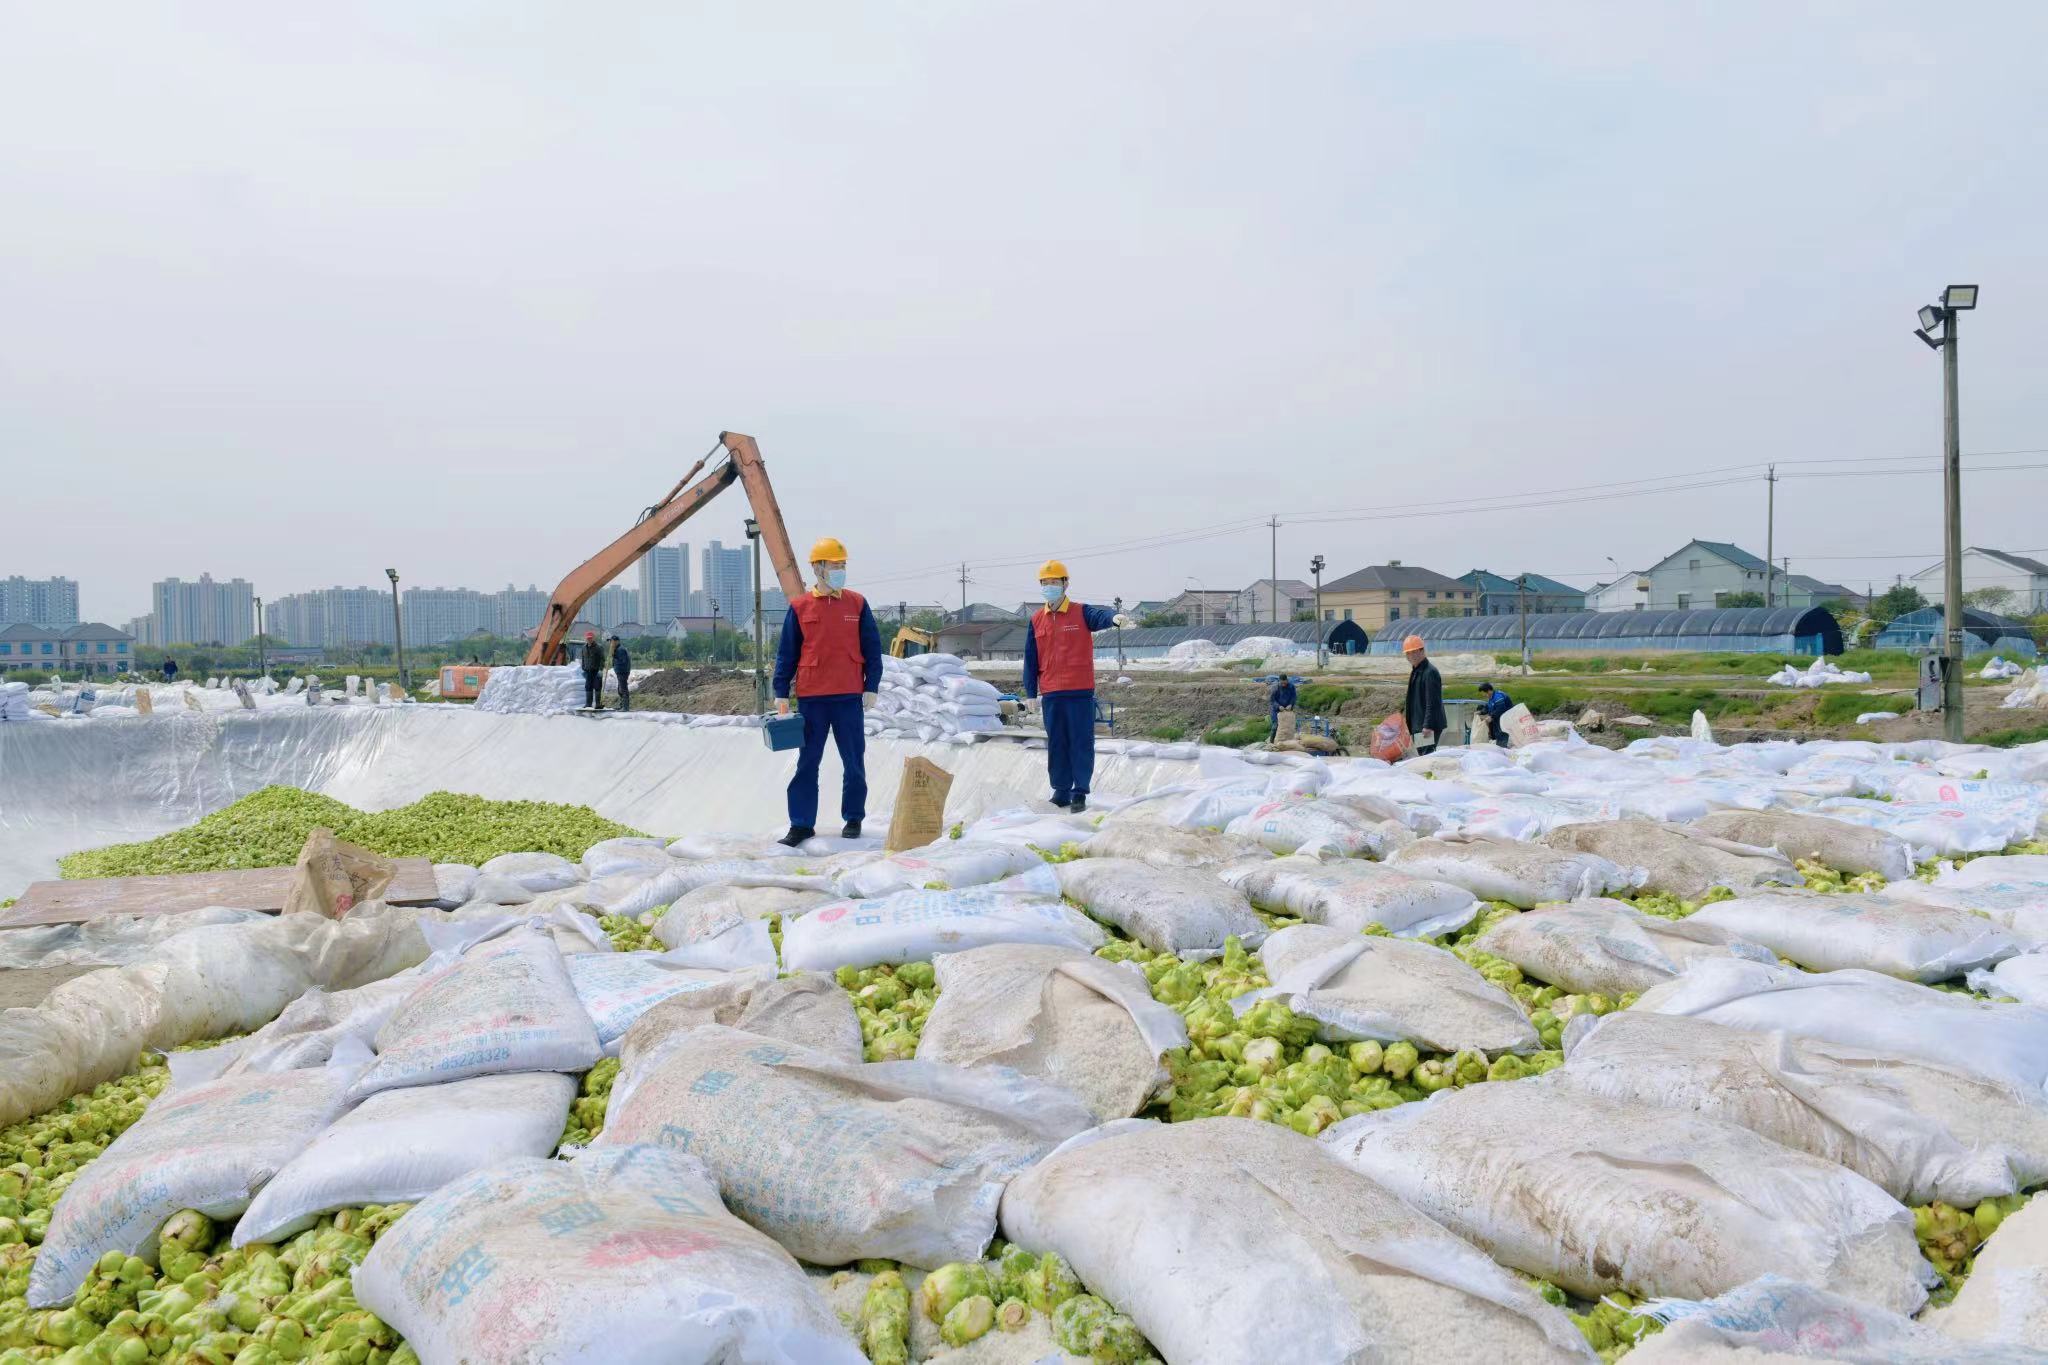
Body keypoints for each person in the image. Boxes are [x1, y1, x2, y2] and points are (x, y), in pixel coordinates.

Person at [774, 536, 883, 845]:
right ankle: (801, 824)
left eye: (843, 565)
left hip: (848, 696)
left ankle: (853, 818)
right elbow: (787, 654)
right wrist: (781, 691)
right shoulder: (800, 607)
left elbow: (872, 649)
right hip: (812, 698)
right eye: (835, 565)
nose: (840, 570)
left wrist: (871, 685)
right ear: (818, 568)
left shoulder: (857, 604)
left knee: (854, 761)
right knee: (807, 762)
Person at [1023, 560, 1131, 813]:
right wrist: (1030, 691)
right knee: (1057, 743)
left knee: (1081, 742)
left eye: (1054, 582)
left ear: (1065, 584)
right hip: (1051, 692)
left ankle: (1079, 792)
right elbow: (1031, 657)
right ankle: (1060, 791)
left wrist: (1113, 618)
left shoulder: (1080, 612)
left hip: (1079, 691)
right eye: (1045, 583)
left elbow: (1099, 616)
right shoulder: (1037, 619)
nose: (1050, 586)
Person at [1402, 634, 1446, 755]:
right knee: (1422, 755)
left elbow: (1432, 702)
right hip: (1418, 724)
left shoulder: (1429, 672)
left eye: (1413, 652)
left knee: (1426, 756)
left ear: (1422, 651)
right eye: (1408, 653)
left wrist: (1427, 725)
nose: (1410, 656)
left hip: (1427, 726)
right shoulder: (1416, 671)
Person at [1477, 680, 1514, 747]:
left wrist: (1491, 716)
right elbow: (1488, 707)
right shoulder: (1491, 697)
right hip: (1498, 719)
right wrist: (1481, 712)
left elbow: (1500, 709)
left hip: (1504, 719)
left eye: (1483, 693)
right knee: (1497, 734)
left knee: (1502, 734)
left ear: (1488, 691)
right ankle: (1500, 748)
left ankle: (1502, 749)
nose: (1483, 695)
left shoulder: (1498, 696)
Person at [1268, 674, 1299, 742]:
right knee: (1275, 726)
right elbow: (1272, 700)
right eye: (1282, 683)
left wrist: (1291, 704)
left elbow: (1294, 697)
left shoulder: (1291, 687)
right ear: (1279, 681)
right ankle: (1271, 742)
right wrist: (1278, 706)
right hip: (1276, 710)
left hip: (1288, 710)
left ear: (1287, 680)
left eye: (1285, 683)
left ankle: (1286, 742)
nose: (1283, 685)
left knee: (1288, 727)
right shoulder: (1275, 687)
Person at [578, 629, 604, 709]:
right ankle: (588, 704)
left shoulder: (598, 647)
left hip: (596, 671)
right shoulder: (584, 648)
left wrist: (600, 669)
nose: (589, 639)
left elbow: (602, 659)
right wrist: (583, 667)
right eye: (588, 638)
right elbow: (583, 658)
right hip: (588, 671)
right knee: (588, 687)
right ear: (586, 639)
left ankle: (598, 704)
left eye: (590, 638)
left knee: (597, 687)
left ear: (593, 638)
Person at [609, 635, 631, 712]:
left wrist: (614, 656)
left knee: (623, 689)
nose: (611, 643)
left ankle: (625, 707)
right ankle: (622, 705)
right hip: (620, 672)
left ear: (617, 641)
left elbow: (623, 661)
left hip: (623, 671)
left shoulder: (620, 650)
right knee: (620, 689)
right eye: (610, 641)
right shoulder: (617, 649)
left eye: (612, 641)